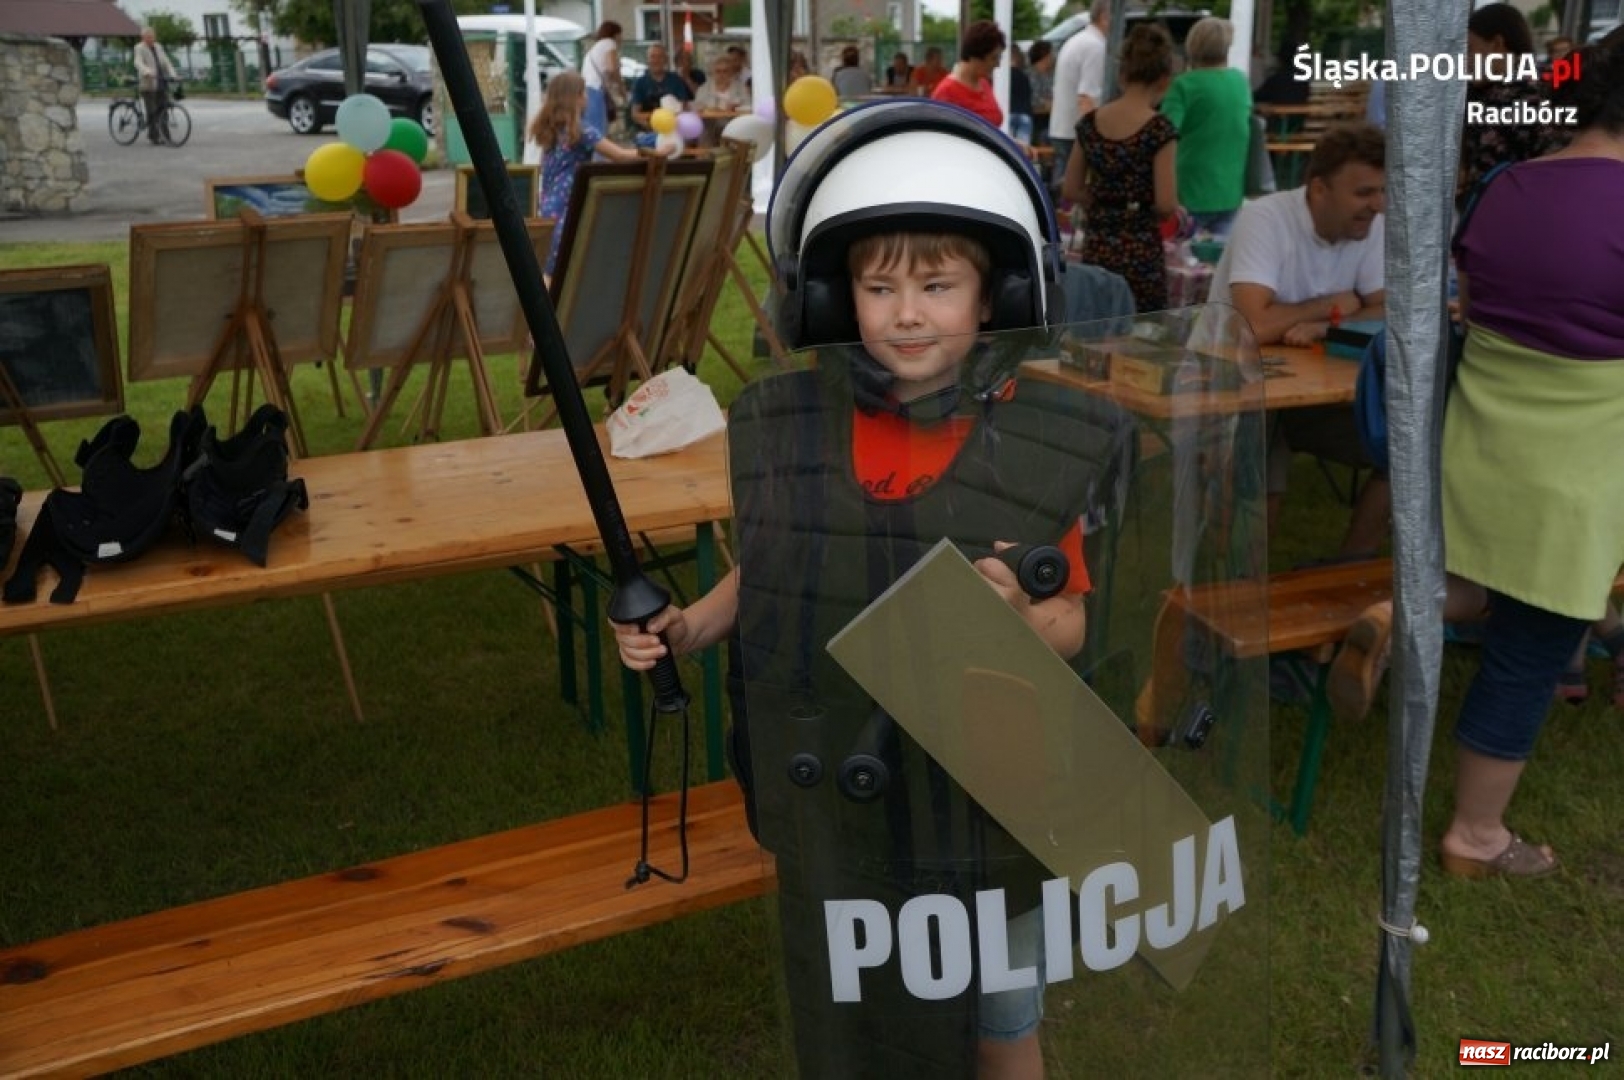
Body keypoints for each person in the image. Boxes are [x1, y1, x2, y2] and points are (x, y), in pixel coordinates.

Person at [615, 100, 1100, 1079]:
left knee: (1000, 1011)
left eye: (937, 283)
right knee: (861, 1004)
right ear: (835, 304)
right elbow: (780, 563)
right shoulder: (801, 430)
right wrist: (690, 627)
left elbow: (1071, 621)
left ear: (997, 296)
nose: (907, 311)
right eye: (877, 288)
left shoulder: (1033, 444)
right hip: (841, 778)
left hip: (982, 794)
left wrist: (1018, 620)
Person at [1430, 29, 1624, 879]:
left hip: (1478, 450)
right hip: (1580, 473)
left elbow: (1469, 310)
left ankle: (1399, 607)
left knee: (1485, 588)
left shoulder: (1502, 186)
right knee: (1529, 650)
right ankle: (1477, 834)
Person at [1206, 123, 1388, 557]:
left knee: (1409, 445)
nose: (1377, 206)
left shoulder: (1373, 222)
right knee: (1257, 468)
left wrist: (1327, 325)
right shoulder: (1265, 217)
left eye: (1383, 192)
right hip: (1232, 383)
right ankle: (1239, 590)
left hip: (1310, 391)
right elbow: (1250, 324)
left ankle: (1345, 576)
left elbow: (1386, 307)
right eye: (1363, 193)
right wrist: (1330, 305)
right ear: (1319, 189)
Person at [1065, 24, 1179, 312]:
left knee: (1096, 331)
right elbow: (1166, 204)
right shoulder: (1160, 130)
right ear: (1165, 80)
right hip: (1140, 249)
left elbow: (1070, 188)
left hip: (1099, 242)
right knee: (1143, 336)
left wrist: (1099, 200)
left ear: (1121, 75)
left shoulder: (1089, 124)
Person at [528, 72, 667, 275]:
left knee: (552, 267)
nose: (586, 98)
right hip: (569, 205)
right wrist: (657, 153)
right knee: (566, 267)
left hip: (549, 205)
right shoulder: (582, 131)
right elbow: (619, 155)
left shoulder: (551, 129)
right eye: (583, 93)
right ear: (574, 97)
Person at [1458, 3, 1566, 210]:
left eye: (1469, 49)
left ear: (1497, 44)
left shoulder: (1517, 94)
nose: (1464, 61)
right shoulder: (1543, 84)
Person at [1159, 17, 1252, 238]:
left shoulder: (1184, 85)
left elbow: (1162, 135)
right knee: (1219, 265)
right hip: (1230, 193)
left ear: (1193, 46)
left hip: (1188, 193)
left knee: (1182, 264)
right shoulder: (1240, 82)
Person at [1047, 0, 1111, 193]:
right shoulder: (1095, 47)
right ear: (1105, 18)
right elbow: (1086, 98)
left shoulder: (1076, 40)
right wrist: (1095, 142)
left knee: (1059, 195)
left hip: (1062, 128)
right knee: (1069, 196)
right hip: (1075, 134)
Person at [931, 19, 1007, 130]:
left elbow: (990, 131)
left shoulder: (984, 83)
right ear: (975, 57)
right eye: (993, 58)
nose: (997, 65)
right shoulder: (946, 93)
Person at [628, 43, 692, 149]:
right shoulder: (640, 82)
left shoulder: (676, 80)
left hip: (673, 130)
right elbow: (635, 114)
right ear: (647, 60)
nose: (656, 60)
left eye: (660, 57)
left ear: (666, 60)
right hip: (648, 131)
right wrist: (654, 127)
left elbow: (683, 108)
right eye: (653, 56)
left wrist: (669, 127)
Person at [579, 20, 625, 140]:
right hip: (595, 89)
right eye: (620, 34)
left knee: (591, 125)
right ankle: (600, 157)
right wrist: (621, 88)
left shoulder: (595, 47)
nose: (622, 38)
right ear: (615, 34)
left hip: (586, 89)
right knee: (599, 129)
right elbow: (611, 68)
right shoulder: (610, 43)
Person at [133, 26, 178, 145]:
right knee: (152, 111)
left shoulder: (158, 47)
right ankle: (154, 137)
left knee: (164, 111)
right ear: (143, 38)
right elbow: (138, 62)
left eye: (152, 37)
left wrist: (173, 74)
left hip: (161, 82)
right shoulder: (139, 48)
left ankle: (166, 136)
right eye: (148, 37)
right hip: (148, 84)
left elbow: (166, 62)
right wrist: (146, 71)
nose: (151, 39)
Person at [1025, 40, 1055, 143]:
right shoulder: (1030, 75)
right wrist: (1049, 104)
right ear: (1045, 56)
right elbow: (1034, 100)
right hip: (1037, 120)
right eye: (1051, 54)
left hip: (1050, 119)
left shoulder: (1051, 75)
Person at [1008, 44, 1035, 144]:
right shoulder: (1024, 76)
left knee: (1008, 147)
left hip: (1009, 113)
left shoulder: (1002, 78)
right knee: (1023, 150)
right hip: (1024, 114)